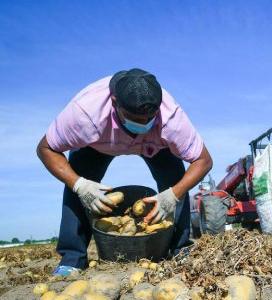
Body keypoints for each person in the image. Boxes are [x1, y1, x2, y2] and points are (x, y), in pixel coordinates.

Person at [36, 68, 213, 276]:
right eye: (133, 118)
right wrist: (79, 184)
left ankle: (180, 248)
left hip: (156, 146)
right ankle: (72, 259)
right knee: (76, 182)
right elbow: (45, 148)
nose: (143, 125)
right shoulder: (85, 114)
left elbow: (204, 160)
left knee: (176, 181)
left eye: (149, 118)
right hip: (97, 145)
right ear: (113, 102)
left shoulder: (170, 119)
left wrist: (173, 195)